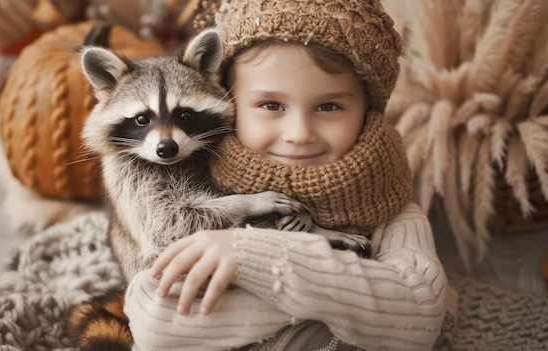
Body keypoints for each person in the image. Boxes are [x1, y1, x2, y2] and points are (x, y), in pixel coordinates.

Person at [124, 1, 452, 350]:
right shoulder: (211, 189)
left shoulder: (385, 198)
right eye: (270, 105)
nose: (299, 133)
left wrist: (254, 256)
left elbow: (421, 309)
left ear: (368, 110)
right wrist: (348, 308)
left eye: (328, 106)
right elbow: (155, 318)